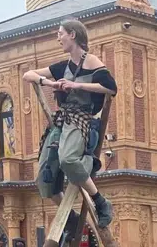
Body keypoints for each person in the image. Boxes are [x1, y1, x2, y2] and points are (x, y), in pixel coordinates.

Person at [23, 18, 116, 229]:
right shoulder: (63, 67)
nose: (58, 38)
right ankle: (72, 221)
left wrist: (77, 84)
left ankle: (100, 201)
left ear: (72, 35)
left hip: (83, 121)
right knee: (44, 180)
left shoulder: (91, 61)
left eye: (60, 33)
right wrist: (50, 83)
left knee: (67, 159)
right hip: (61, 122)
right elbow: (28, 74)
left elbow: (110, 88)